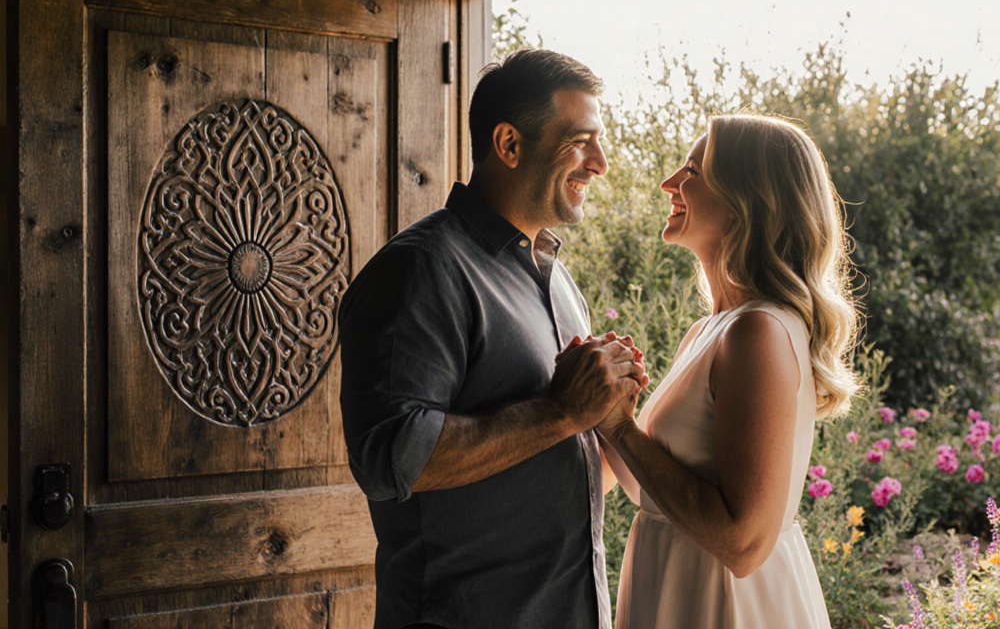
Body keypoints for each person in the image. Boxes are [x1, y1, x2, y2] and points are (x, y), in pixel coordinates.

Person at [338, 49, 648, 629]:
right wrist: (561, 412)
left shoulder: (558, 281)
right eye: (580, 142)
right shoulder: (420, 269)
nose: (600, 164)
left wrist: (605, 412)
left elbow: (557, 468)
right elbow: (390, 456)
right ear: (508, 144)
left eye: (599, 142)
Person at [598, 115, 859, 629]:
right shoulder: (710, 329)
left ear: (747, 201)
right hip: (677, 587)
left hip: (726, 605)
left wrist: (621, 428)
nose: (669, 183)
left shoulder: (757, 332)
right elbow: (649, 491)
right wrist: (604, 404)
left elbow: (742, 542)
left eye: (693, 171)